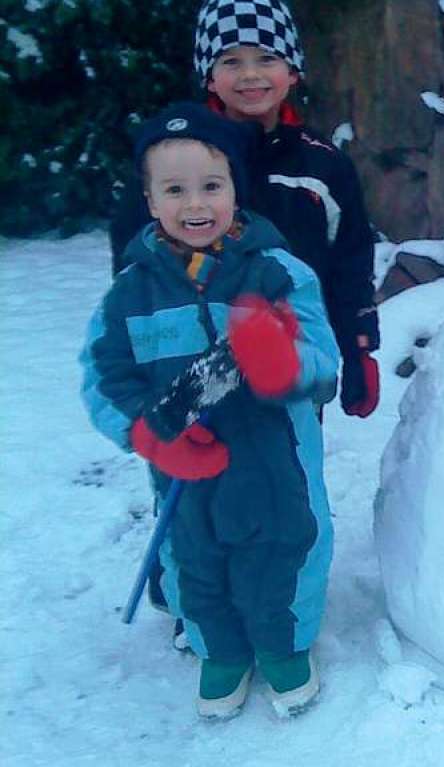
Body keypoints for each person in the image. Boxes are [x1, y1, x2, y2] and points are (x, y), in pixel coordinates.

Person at [81, 103, 340, 719]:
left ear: (235, 191)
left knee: (286, 544)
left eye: (211, 186)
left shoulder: (278, 272)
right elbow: (102, 376)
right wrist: (147, 432)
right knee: (193, 554)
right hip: (185, 471)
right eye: (174, 189)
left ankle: (284, 646)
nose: (194, 203)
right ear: (150, 200)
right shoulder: (128, 295)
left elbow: (324, 361)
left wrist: (283, 364)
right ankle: (219, 650)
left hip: (275, 461)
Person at [110, 0, 380, 421]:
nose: (250, 74)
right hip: (192, 359)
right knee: (200, 475)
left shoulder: (323, 165)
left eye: (267, 58)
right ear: (210, 78)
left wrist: (358, 343)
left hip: (289, 356)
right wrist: (139, 342)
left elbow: (350, 261)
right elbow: (134, 254)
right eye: (231, 61)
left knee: (289, 472)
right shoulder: (175, 160)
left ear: (292, 71)